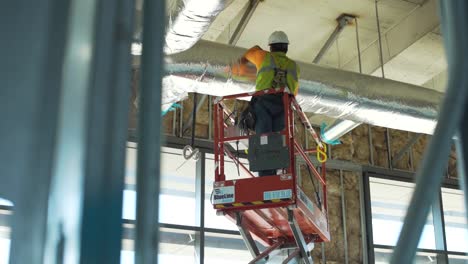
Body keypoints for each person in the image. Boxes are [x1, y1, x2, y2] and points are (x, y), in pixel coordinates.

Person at [238, 31, 300, 176]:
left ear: (271, 47)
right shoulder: (293, 66)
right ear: (286, 48)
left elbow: (249, 53)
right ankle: (275, 175)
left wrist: (257, 49)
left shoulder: (263, 56)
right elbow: (294, 91)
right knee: (277, 142)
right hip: (283, 106)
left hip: (264, 103)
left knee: (263, 140)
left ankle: (266, 178)